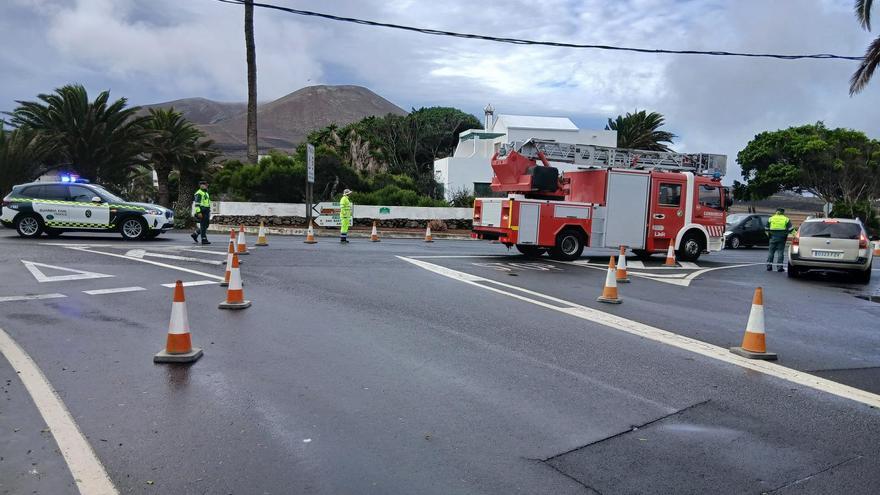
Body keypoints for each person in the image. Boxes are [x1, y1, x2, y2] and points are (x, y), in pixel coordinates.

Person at [765, 207, 793, 272]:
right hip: (782, 238)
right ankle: (779, 267)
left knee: (771, 253)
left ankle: (769, 266)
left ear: (776, 212)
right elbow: (791, 230)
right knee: (780, 253)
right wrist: (796, 236)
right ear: (783, 212)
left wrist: (770, 236)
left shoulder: (770, 219)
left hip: (772, 238)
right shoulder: (786, 219)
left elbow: (766, 229)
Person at [191, 180, 212, 245]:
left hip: (206, 211)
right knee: (203, 225)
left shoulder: (206, 193)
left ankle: (195, 234)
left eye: (206, 185)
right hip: (202, 211)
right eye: (205, 185)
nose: (206, 186)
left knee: (206, 225)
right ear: (201, 185)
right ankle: (204, 239)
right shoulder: (199, 193)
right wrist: (199, 212)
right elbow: (197, 204)